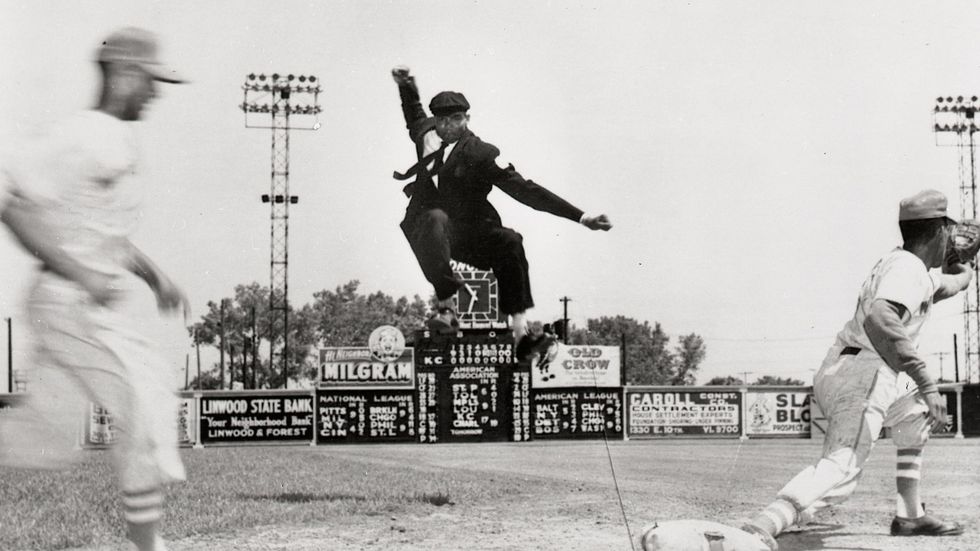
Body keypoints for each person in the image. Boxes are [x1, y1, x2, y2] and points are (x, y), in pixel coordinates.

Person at [0, 27, 189, 551]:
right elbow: (13, 205)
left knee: (44, 441)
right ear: (125, 73)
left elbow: (103, 235)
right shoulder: (83, 134)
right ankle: (148, 546)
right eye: (150, 81)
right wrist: (81, 273)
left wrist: (155, 277)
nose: (155, 93)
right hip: (66, 302)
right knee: (142, 410)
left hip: (80, 307)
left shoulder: (113, 138)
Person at [741, 189, 967, 550]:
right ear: (939, 231)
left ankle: (909, 515)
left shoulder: (908, 266)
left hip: (854, 367)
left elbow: (954, 284)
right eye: (949, 232)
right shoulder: (908, 270)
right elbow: (882, 318)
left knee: (915, 416)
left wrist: (962, 261)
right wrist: (927, 381)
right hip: (865, 372)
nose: (953, 238)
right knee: (843, 467)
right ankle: (760, 525)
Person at [390, 66, 612, 359]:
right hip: (430, 232)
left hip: (470, 234)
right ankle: (447, 308)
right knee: (435, 217)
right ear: (436, 121)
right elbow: (414, 113)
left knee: (510, 241)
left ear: (466, 119)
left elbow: (526, 190)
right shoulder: (425, 132)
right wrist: (406, 85)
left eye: (456, 120)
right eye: (442, 121)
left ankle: (522, 335)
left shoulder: (481, 153)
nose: (448, 127)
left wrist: (582, 217)